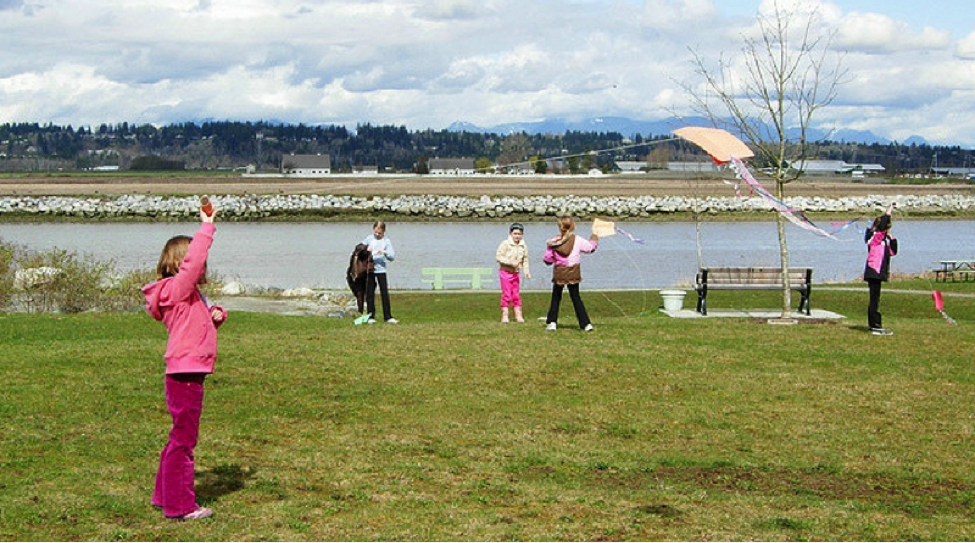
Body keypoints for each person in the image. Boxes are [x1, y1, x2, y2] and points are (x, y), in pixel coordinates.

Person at [142, 205, 227, 520]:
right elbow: (193, 264)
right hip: (185, 373)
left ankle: (163, 495)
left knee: (178, 437)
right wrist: (207, 227)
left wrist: (216, 315)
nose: (203, 268)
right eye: (198, 262)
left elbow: (195, 325)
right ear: (181, 264)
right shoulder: (178, 289)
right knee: (184, 441)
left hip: (186, 371)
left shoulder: (185, 296)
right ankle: (181, 506)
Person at [543, 215, 598, 331]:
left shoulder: (553, 242)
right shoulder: (578, 240)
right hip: (573, 272)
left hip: (559, 272)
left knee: (556, 297)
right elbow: (590, 248)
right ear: (572, 226)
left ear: (560, 227)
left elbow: (547, 260)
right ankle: (586, 324)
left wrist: (554, 259)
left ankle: (552, 322)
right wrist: (594, 237)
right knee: (576, 298)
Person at [863, 205, 898, 336]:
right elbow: (882, 226)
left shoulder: (882, 242)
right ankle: (875, 325)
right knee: (874, 299)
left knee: (875, 299)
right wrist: (889, 211)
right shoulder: (875, 238)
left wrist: (891, 238)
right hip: (874, 271)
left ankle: (873, 324)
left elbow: (893, 252)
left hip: (878, 272)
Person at [496, 222, 532, 323]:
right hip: (505, 272)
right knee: (507, 294)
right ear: (511, 233)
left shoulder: (523, 246)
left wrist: (526, 271)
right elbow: (498, 257)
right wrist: (510, 262)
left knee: (516, 294)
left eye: (519, 234)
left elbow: (525, 260)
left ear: (522, 234)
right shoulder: (505, 244)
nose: (517, 236)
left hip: (515, 273)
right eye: (515, 234)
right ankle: (505, 315)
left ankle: (518, 315)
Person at [362, 220, 397, 324]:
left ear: (383, 232)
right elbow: (359, 251)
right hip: (370, 270)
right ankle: (371, 316)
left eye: (380, 233)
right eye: (376, 232)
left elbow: (392, 257)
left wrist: (384, 252)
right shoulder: (369, 239)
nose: (377, 234)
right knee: (370, 293)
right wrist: (366, 250)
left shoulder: (386, 241)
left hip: (381, 270)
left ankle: (388, 317)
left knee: (384, 293)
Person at [346, 242, 372, 314]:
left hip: (359, 277)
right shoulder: (368, 255)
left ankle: (362, 311)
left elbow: (352, 269)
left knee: (360, 294)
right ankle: (365, 311)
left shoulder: (355, 256)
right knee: (362, 294)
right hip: (362, 276)